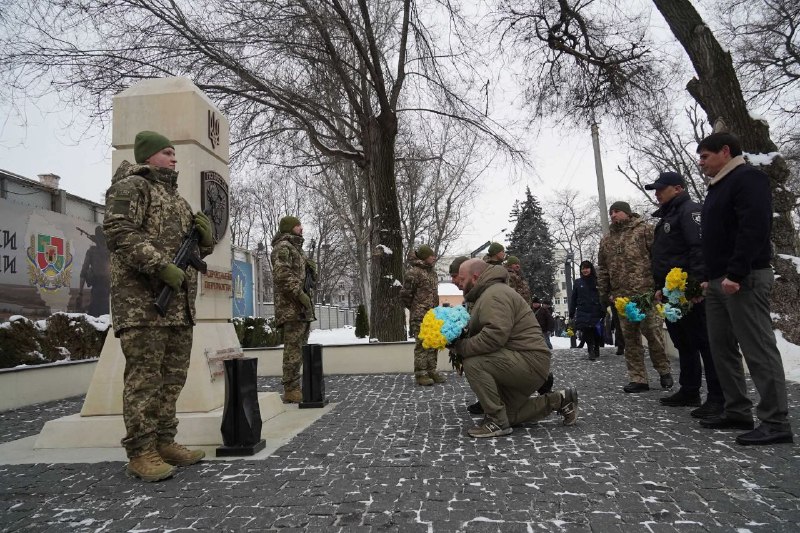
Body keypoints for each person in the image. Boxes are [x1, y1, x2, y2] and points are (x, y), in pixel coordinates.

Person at [104, 130, 214, 482]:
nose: (173, 157)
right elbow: (119, 231)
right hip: (142, 304)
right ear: (148, 156)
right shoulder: (131, 187)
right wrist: (159, 265)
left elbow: (191, 254)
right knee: (144, 381)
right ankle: (141, 451)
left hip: (178, 308)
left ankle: (165, 441)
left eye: (173, 152)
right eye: (167, 152)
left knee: (172, 380)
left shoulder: (176, 200)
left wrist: (205, 242)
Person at [696, 132, 793, 445]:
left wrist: (736, 272)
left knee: (757, 348)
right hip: (718, 279)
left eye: (705, 156)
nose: (701, 163)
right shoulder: (718, 187)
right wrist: (707, 276)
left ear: (725, 151)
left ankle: (776, 421)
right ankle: (736, 409)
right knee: (721, 346)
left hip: (744, 277)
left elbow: (754, 227)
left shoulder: (748, 178)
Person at [451, 259, 578, 438]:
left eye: (462, 279)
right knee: (509, 416)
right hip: (522, 360)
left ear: (475, 277)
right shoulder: (489, 293)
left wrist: (460, 346)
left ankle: (496, 422)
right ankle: (561, 400)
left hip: (528, 361)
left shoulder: (494, 295)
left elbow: (493, 337)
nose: (459, 284)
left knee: (473, 362)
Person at [646, 171, 724, 418]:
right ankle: (690, 389)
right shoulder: (669, 215)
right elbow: (666, 256)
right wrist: (660, 287)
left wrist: (697, 284)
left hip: (689, 293)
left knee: (704, 343)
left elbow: (698, 249)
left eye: (661, 189)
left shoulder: (690, 211)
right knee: (684, 342)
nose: (657, 193)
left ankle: (717, 397)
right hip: (671, 292)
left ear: (678, 188)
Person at [597, 201, 673, 393]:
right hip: (622, 299)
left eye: (617, 211)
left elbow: (658, 258)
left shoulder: (645, 230)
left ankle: (664, 371)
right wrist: (605, 294)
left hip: (646, 294)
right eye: (611, 212)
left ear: (627, 213)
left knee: (654, 335)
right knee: (630, 340)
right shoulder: (607, 240)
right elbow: (603, 268)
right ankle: (638, 378)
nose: (613, 215)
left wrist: (660, 286)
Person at [271, 215, 317, 404]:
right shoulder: (283, 248)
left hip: (301, 308)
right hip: (291, 307)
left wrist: (311, 270)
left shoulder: (297, 250)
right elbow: (282, 275)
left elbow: (301, 275)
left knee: (301, 347)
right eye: (298, 226)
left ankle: (298, 385)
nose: (302, 229)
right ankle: (290, 388)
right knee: (293, 349)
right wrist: (300, 295)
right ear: (290, 228)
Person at [400, 244, 445, 386]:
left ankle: (432, 370)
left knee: (433, 342)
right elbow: (406, 295)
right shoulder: (413, 272)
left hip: (433, 314)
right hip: (420, 315)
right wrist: (416, 307)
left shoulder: (432, 272)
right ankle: (421, 374)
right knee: (422, 344)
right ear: (425, 257)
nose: (434, 257)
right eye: (431, 255)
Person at [569, 260, 605, 361]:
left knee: (596, 331)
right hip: (583, 310)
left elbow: (602, 296)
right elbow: (574, 298)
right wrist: (571, 312)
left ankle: (596, 346)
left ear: (591, 269)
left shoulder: (597, 281)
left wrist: (603, 308)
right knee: (587, 330)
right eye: (583, 268)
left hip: (596, 309)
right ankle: (590, 350)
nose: (585, 270)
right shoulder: (577, 282)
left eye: (587, 268)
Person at [78, 225, 111, 316]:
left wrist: (80, 293)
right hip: (108, 289)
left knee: (95, 316)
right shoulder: (110, 252)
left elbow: (83, 272)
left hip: (97, 288)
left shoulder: (91, 251)